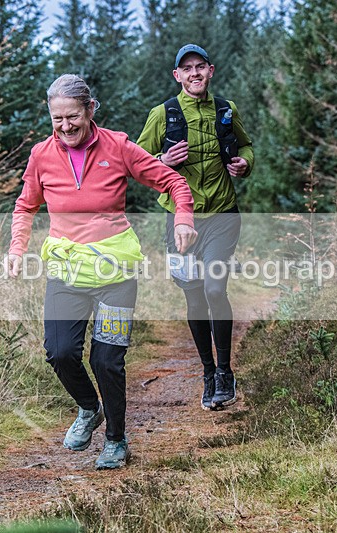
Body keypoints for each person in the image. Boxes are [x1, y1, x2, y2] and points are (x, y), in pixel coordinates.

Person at [7, 74, 197, 469]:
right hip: (67, 272)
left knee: (107, 360)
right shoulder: (42, 155)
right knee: (59, 352)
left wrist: (183, 218)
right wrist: (16, 248)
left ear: (90, 109)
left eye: (73, 116)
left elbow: (173, 182)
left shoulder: (118, 146)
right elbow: (25, 206)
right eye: (57, 118)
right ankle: (89, 408)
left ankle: (116, 440)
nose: (65, 126)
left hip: (116, 276)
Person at [137, 44, 254, 411]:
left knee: (215, 289)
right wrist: (162, 160)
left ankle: (225, 372)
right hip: (180, 220)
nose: (194, 73)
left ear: (210, 70)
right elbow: (137, 162)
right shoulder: (163, 114)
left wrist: (245, 164)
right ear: (177, 76)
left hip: (222, 214)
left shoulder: (226, 110)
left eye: (199, 66)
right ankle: (207, 373)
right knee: (194, 297)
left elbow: (246, 147)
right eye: (186, 68)